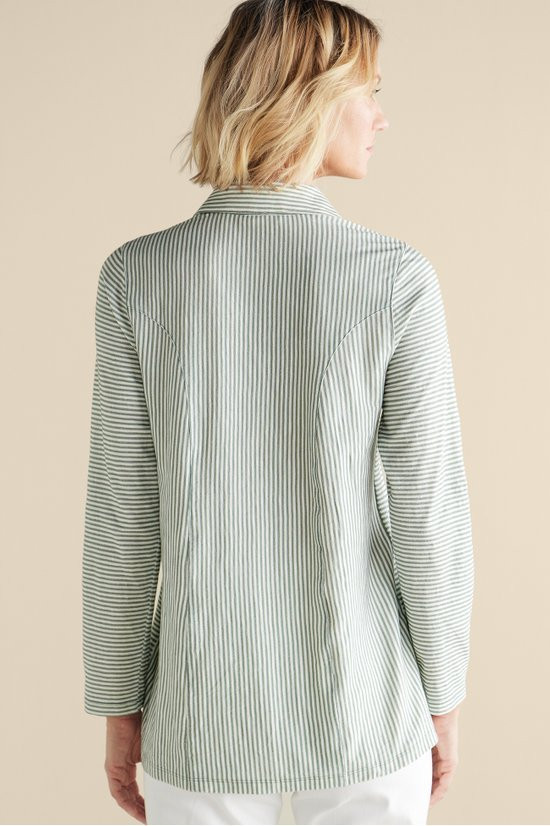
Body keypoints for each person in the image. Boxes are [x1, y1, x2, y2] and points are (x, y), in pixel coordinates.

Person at [81, 0, 475, 823]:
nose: (381, 117)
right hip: (369, 705)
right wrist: (443, 695)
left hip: (201, 713)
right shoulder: (395, 278)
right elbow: (430, 513)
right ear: (309, 98)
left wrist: (119, 704)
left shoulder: (137, 277)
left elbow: (124, 517)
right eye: (369, 92)